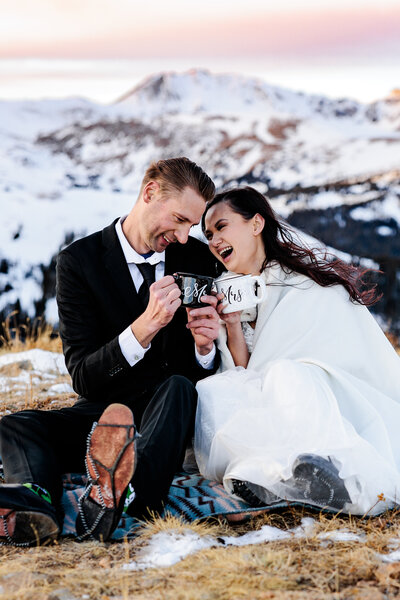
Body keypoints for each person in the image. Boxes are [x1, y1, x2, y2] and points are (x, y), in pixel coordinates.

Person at [0, 157, 221, 546]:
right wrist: (144, 328)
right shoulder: (78, 262)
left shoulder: (198, 260)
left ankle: (128, 494)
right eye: (180, 219)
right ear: (150, 192)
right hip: (104, 415)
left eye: (191, 225)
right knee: (15, 426)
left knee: (179, 388)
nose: (185, 236)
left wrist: (205, 349)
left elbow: (201, 376)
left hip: (166, 413)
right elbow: (83, 376)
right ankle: (38, 502)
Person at [195, 186, 400, 516]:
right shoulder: (228, 291)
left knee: (288, 375)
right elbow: (244, 372)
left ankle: (327, 471)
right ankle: (281, 475)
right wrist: (231, 325)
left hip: (323, 391)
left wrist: (283, 371)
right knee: (217, 390)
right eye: (208, 234)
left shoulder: (305, 283)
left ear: (256, 224)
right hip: (267, 394)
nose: (214, 240)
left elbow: (340, 347)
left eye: (221, 226)